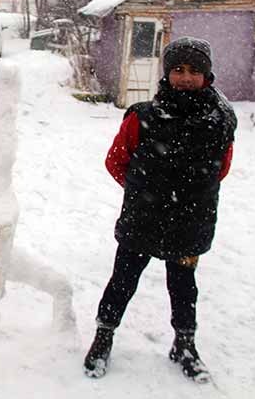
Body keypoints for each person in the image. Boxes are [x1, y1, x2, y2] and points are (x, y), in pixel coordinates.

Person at [83, 37, 237, 383]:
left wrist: (187, 196)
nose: (185, 77)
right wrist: (145, 192)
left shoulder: (220, 121)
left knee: (183, 287)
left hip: (190, 223)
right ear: (166, 74)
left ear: (207, 75)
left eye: (194, 71)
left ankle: (184, 345)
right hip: (144, 219)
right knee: (122, 281)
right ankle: (103, 336)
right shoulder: (143, 117)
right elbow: (116, 160)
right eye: (178, 70)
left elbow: (221, 169)